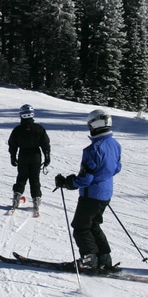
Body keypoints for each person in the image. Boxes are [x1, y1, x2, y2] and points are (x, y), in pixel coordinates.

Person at [55, 108, 122, 270]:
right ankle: (104, 258)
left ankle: (89, 259)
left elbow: (86, 179)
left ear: (96, 124)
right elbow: (117, 168)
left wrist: (67, 182)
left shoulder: (93, 150)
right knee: (93, 225)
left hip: (91, 195)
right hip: (105, 193)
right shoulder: (115, 144)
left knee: (80, 226)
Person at [7, 104, 51, 215]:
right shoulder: (39, 128)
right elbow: (45, 144)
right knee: (34, 179)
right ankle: (36, 200)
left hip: (23, 155)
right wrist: (47, 156)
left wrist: (13, 156)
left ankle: (16, 197)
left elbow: (12, 144)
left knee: (21, 177)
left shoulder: (18, 130)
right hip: (35, 155)